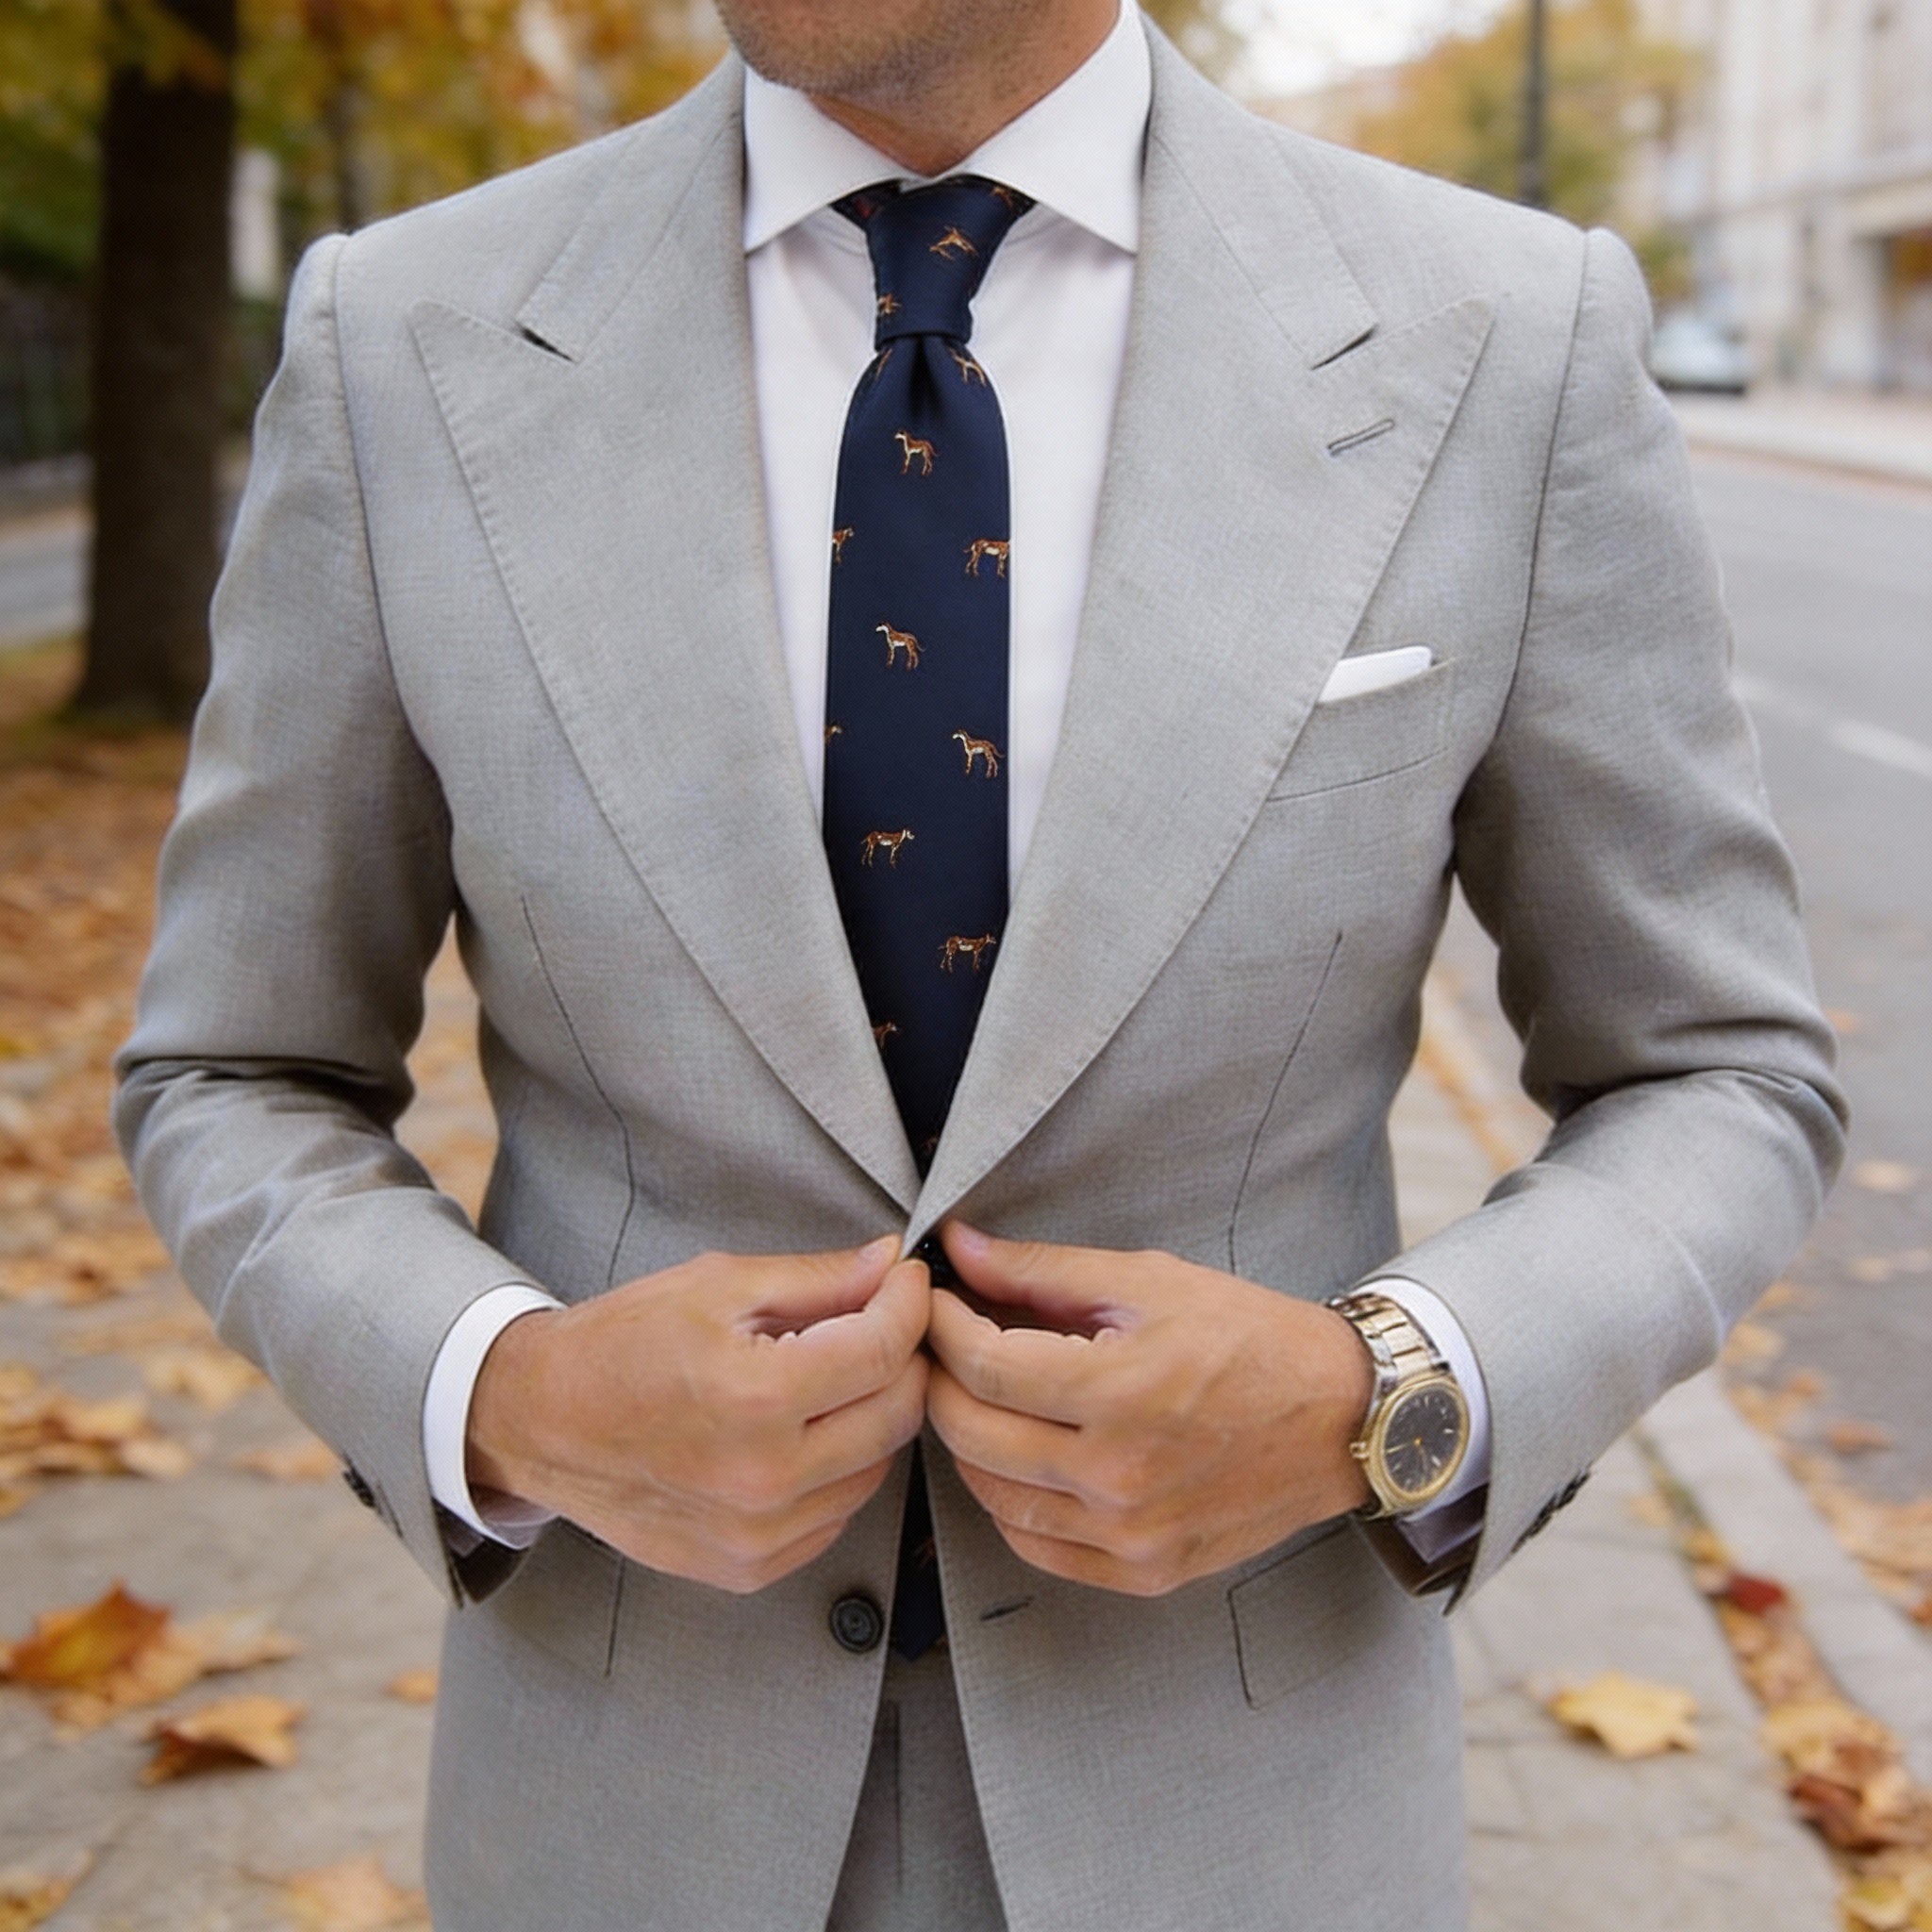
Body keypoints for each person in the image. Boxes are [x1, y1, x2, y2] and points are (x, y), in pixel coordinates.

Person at [115, 2, 1846, 1927]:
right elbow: (234, 1064)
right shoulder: (403, 340)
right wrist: (500, 1392)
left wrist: (1385, 1395)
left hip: (1245, 1813)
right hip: (625, 1815)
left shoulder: (1504, 338)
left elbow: (1716, 1068)